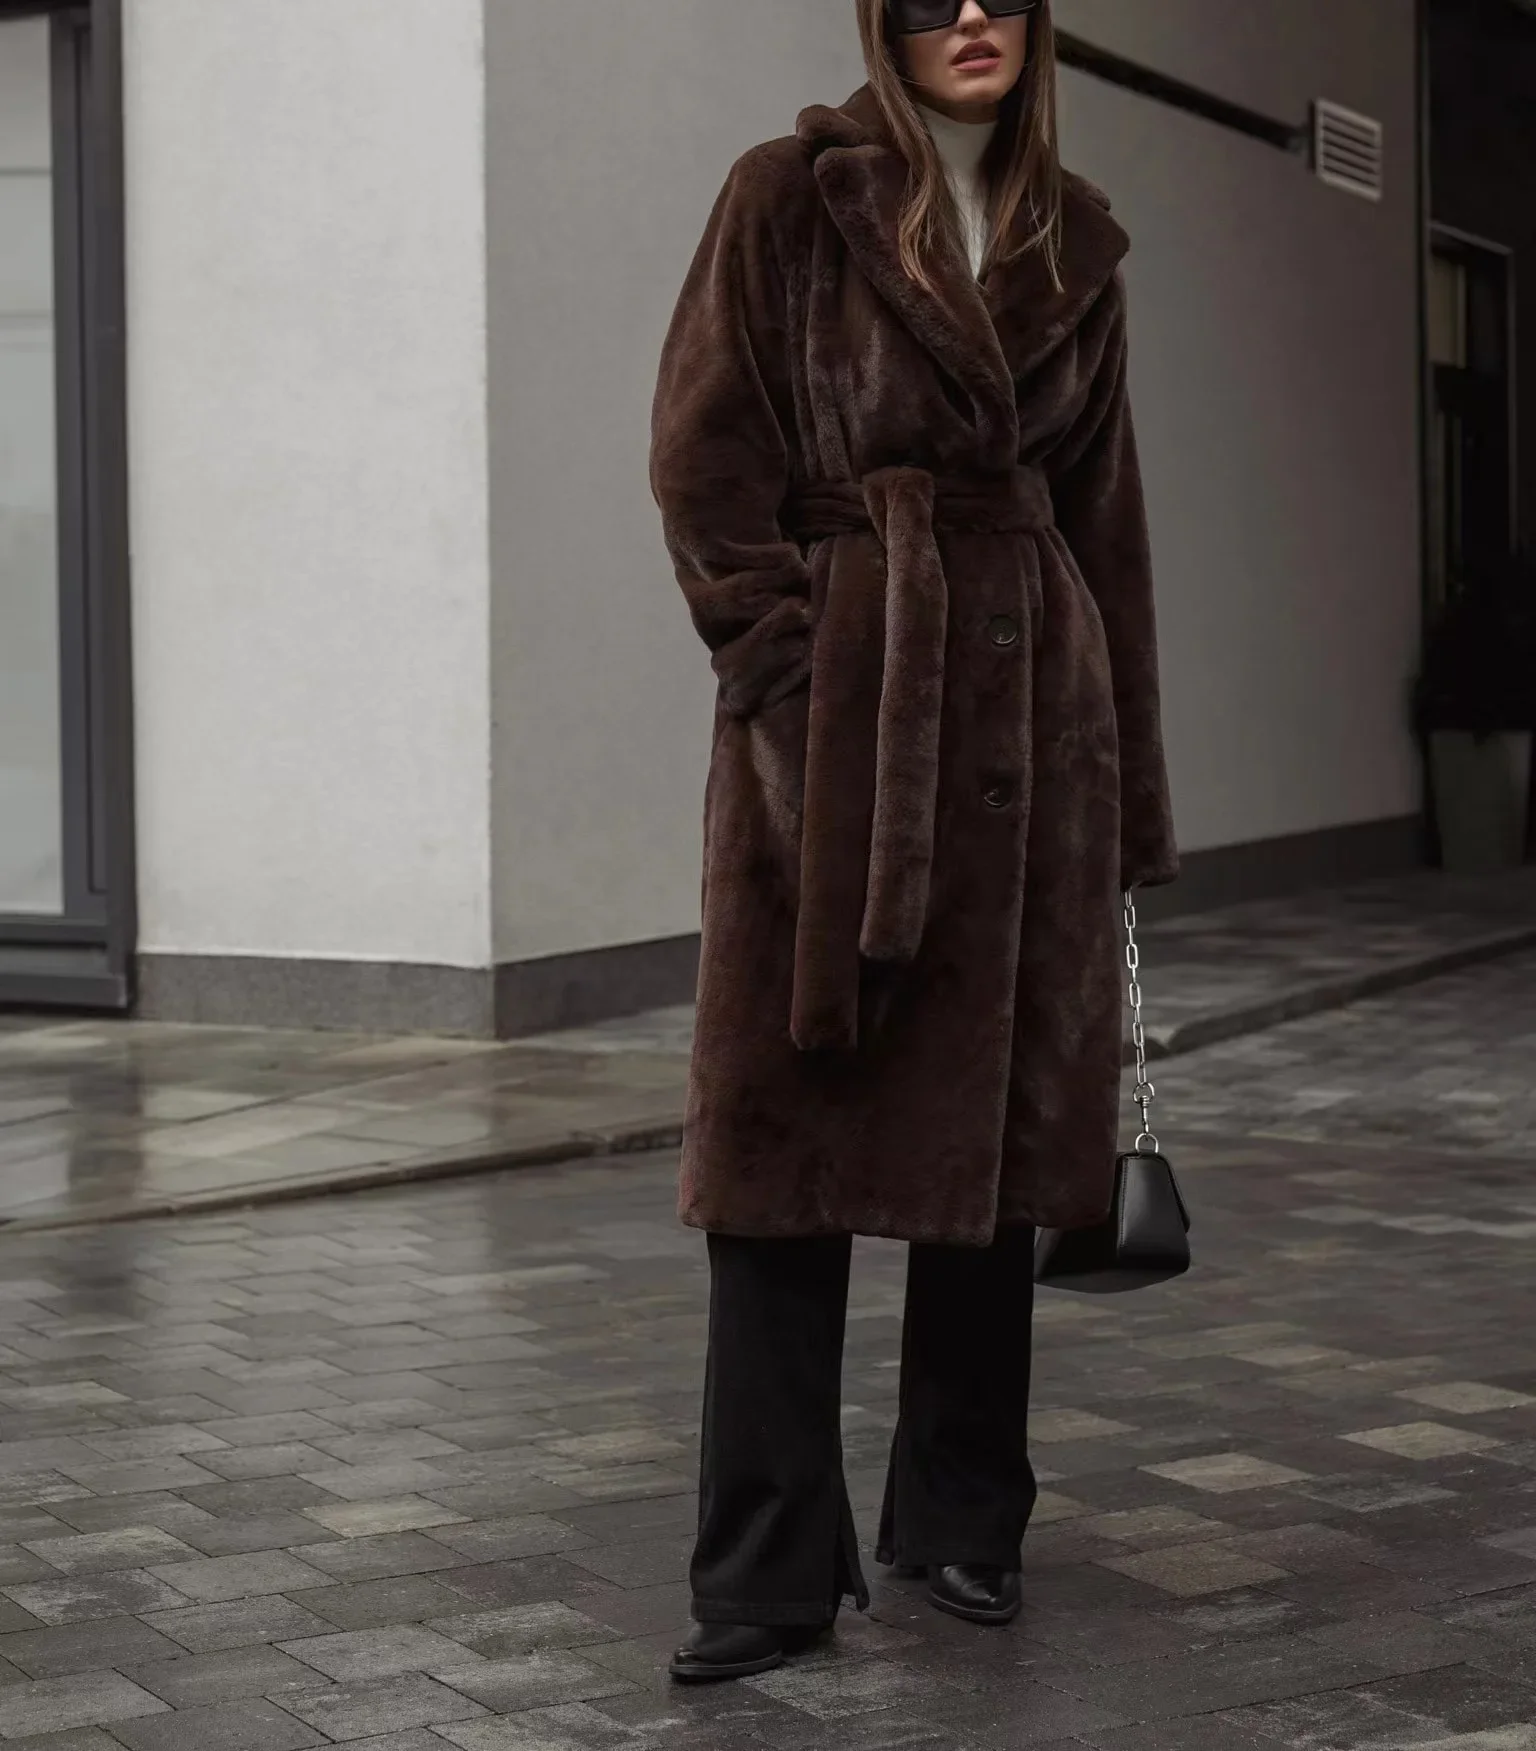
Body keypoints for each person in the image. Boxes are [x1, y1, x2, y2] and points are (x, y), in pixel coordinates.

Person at [649, 0, 1179, 1684]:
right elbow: (703, 463)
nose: (970, 16)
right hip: (837, 737)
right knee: (780, 1150)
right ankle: (763, 1567)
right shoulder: (787, 195)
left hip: (1031, 731)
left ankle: (962, 1520)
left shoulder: (1073, 241)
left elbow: (1106, 527)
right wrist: (790, 676)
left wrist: (1127, 798)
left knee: (991, 1154)